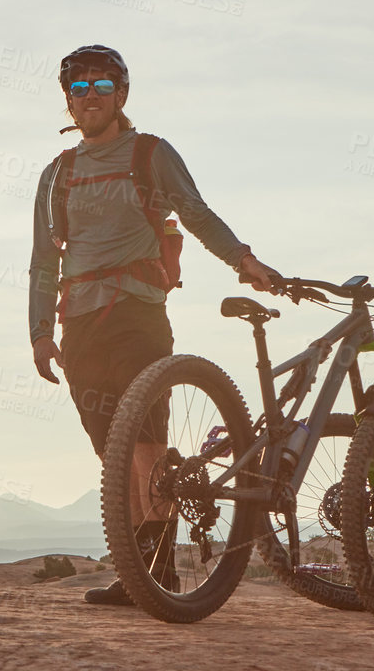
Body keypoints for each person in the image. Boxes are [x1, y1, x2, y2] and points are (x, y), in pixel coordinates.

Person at [27, 44, 279, 606]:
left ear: (121, 94)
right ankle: (144, 571)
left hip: (139, 314)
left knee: (144, 446)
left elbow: (195, 211)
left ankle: (156, 572)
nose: (87, 97)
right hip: (81, 323)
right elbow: (44, 257)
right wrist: (40, 333)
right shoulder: (56, 174)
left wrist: (243, 261)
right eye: (78, 88)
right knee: (112, 455)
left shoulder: (149, 153)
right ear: (67, 100)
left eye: (99, 87)